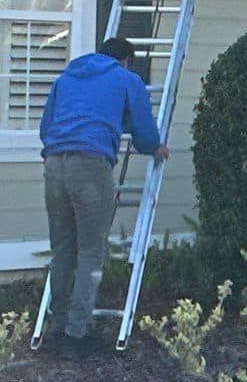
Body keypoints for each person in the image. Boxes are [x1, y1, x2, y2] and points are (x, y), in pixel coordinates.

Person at [37, 35, 169, 354]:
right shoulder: (127, 79)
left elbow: (45, 128)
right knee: (91, 252)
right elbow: (143, 132)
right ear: (125, 60)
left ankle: (57, 328)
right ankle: (76, 335)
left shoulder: (66, 79)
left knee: (63, 248)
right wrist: (156, 148)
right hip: (89, 167)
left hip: (54, 165)